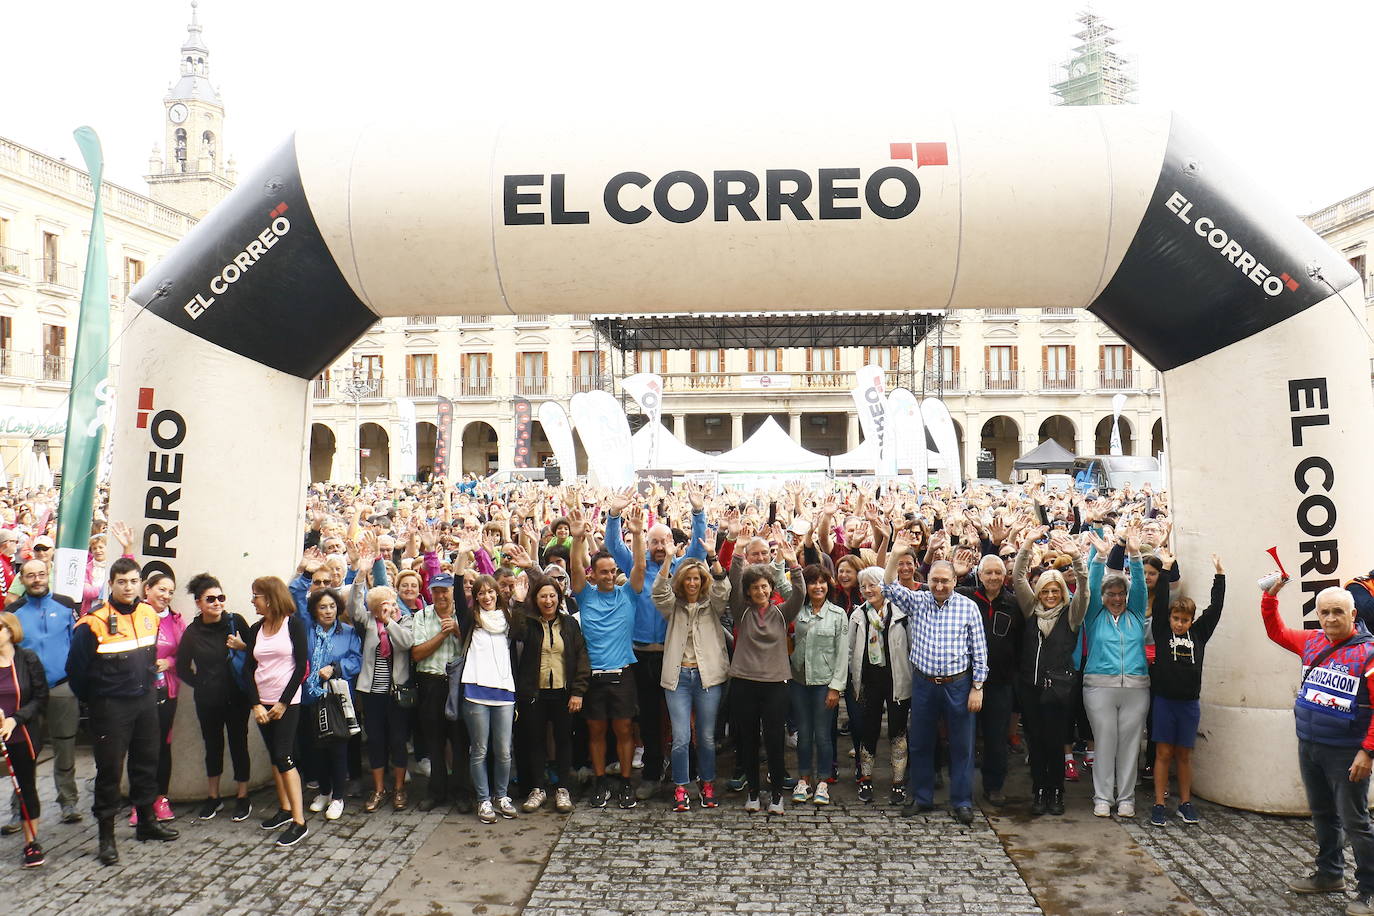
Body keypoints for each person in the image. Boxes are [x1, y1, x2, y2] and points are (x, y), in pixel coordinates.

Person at [1264, 577, 1374, 915]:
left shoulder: (1368, 653)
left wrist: (1367, 751)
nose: (1330, 619)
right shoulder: (1311, 641)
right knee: (1323, 814)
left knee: (1355, 822)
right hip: (1310, 745)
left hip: (1346, 752)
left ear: (1353, 613)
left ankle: (1369, 890)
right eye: (1324, 612)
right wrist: (1269, 598)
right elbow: (1276, 631)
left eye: (1338, 612)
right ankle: (1329, 874)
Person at [67, 557, 177, 865]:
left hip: (144, 702)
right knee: (110, 772)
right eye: (121, 582)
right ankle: (106, 837)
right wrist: (97, 700)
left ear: (140, 584)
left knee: (146, 764)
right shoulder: (93, 622)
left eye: (132, 582)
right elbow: (75, 670)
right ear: (112, 584)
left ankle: (145, 823)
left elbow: (150, 654)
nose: (128, 587)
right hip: (110, 707)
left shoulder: (148, 614)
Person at [602, 483, 707, 800]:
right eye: (654, 541)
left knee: (680, 720)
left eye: (665, 541)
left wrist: (698, 511)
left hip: (674, 655)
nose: (660, 546)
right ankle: (649, 774)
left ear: (674, 543)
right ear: (647, 543)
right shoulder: (637, 566)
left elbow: (700, 550)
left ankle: (683, 775)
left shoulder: (681, 568)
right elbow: (613, 544)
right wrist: (614, 514)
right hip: (640, 656)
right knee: (647, 718)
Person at [882, 537, 988, 826]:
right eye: (934, 581)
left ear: (955, 580)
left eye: (945, 581)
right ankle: (922, 797)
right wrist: (896, 553)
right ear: (926, 580)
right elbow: (888, 587)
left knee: (961, 746)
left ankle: (962, 801)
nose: (939, 586)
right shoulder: (918, 600)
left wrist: (977, 687)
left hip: (958, 684)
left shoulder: (968, 608)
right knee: (920, 742)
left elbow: (979, 650)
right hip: (925, 683)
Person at [569, 505, 646, 810]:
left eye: (613, 571)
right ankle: (601, 781)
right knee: (596, 731)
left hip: (623, 673)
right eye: (603, 572)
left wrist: (638, 534)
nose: (609, 576)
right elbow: (575, 569)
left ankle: (626, 781)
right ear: (594, 574)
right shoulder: (585, 594)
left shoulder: (628, 594)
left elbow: (639, 566)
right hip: (593, 676)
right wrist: (577, 540)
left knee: (624, 730)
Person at [1012, 530, 1088, 816]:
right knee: (1036, 741)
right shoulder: (1031, 610)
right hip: (1031, 688)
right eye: (1045, 590)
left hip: (1058, 690)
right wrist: (1028, 544)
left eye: (1055, 590)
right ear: (1039, 592)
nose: (1051, 595)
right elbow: (1019, 578)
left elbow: (1085, 587)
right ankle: (1039, 789)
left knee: (1055, 743)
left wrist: (1077, 557)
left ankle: (1056, 791)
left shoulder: (1071, 615)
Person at [727, 533, 804, 815]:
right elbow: (735, 582)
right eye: (755, 588)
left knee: (774, 739)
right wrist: (736, 552)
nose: (760, 592)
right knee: (747, 739)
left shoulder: (782, 612)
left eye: (764, 587)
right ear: (748, 592)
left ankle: (775, 796)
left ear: (771, 588)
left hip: (775, 685)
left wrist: (795, 566)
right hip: (744, 683)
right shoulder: (741, 611)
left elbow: (801, 594)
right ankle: (752, 793)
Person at [508, 547, 589, 815]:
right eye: (543, 596)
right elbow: (516, 633)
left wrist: (578, 692)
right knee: (536, 741)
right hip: (535, 692)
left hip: (564, 692)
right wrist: (519, 603)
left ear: (559, 597)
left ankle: (562, 789)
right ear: (537, 598)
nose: (548, 600)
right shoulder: (530, 623)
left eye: (552, 595)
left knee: (564, 740)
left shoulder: (569, 624)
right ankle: (537, 788)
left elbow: (580, 659)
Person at [652, 545, 730, 812]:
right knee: (682, 736)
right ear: (681, 581)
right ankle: (681, 787)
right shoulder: (672, 607)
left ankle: (707, 783)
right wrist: (671, 559)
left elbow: (724, 589)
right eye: (688, 578)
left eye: (697, 578)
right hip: (678, 678)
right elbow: (658, 590)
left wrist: (713, 558)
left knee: (706, 737)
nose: (693, 582)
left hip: (708, 678)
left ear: (702, 580)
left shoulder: (712, 606)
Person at [1149, 554, 1225, 827]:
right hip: (1164, 702)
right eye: (1176, 618)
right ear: (1169, 618)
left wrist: (1220, 575)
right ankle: (1159, 802)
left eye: (1184, 620)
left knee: (1183, 755)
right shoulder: (1161, 631)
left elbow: (1216, 608)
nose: (1179, 623)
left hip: (1189, 704)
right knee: (1163, 754)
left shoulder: (1199, 634)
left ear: (1192, 620)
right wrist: (1167, 570)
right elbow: (1158, 603)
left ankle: (1185, 801)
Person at [5, 558, 81, 828]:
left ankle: (68, 801)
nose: (36, 579)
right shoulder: (13, 611)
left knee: (65, 746)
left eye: (41, 574)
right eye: (30, 576)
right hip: (26, 694)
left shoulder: (66, 604)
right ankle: (20, 808)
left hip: (62, 686)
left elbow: (77, 645)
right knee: (24, 752)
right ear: (22, 580)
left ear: (48, 574)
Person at [1082, 526, 1149, 818]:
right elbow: (1092, 584)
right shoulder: (1094, 614)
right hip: (1099, 687)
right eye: (1111, 593)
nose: (1117, 598)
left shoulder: (1135, 613)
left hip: (1136, 687)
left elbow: (1142, 589)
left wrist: (1135, 555)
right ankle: (1102, 796)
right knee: (1106, 741)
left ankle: (1126, 798)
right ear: (1104, 596)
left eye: (1121, 593)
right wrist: (1098, 558)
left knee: (1130, 745)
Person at [175, 573, 253, 821]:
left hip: (237, 696)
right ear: (199, 602)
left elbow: (257, 653)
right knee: (213, 745)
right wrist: (201, 683)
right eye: (210, 599)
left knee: (239, 743)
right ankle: (214, 796)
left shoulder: (236, 622)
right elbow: (181, 667)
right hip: (208, 700)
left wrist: (243, 647)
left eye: (221, 597)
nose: (217, 603)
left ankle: (242, 796)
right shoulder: (192, 632)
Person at [243, 576, 310, 847]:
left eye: (256, 595)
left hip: (288, 702)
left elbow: (301, 665)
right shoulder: (256, 628)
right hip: (263, 702)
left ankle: (299, 821)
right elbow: (248, 668)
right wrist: (256, 703)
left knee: (284, 755)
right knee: (274, 755)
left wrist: (283, 702)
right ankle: (284, 809)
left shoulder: (293, 625)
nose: (252, 600)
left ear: (270, 598)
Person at [960, 552, 1024, 808]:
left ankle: (994, 785)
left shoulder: (1013, 604)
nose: (994, 577)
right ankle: (961, 787)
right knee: (964, 735)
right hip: (966, 680)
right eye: (989, 572)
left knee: (996, 738)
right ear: (979, 574)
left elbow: (1019, 644)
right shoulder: (965, 598)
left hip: (1000, 682)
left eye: (998, 572)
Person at [460, 572, 524, 823]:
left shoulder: (507, 618)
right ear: (475, 597)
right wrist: (464, 558)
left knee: (504, 750)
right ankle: (483, 799)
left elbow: (521, 632)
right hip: (475, 691)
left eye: (490, 592)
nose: (486, 597)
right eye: (481, 593)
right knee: (480, 749)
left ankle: (501, 796)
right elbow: (457, 592)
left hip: (504, 691)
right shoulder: (471, 619)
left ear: (497, 593)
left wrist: (518, 602)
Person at [410, 569, 474, 814]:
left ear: (452, 592)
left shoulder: (465, 616)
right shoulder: (422, 616)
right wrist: (443, 633)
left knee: (460, 741)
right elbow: (417, 653)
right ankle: (436, 791)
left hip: (458, 683)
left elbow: (473, 646)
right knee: (434, 741)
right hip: (430, 682)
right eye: (435, 591)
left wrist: (457, 630)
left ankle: (462, 793)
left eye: (445, 590)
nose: (440, 596)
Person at [299, 587, 361, 822]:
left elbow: (356, 660)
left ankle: (338, 796)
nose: (328, 611)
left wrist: (335, 668)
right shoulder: (306, 630)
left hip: (336, 698)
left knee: (337, 747)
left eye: (332, 606)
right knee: (316, 748)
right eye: (322, 607)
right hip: (310, 696)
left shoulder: (348, 632)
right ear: (314, 610)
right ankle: (324, 791)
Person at [790, 564, 848, 807]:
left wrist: (836, 687)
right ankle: (804, 779)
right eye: (812, 582)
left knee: (823, 736)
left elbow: (842, 654)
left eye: (822, 582)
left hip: (825, 683)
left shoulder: (837, 615)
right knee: (803, 734)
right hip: (799, 682)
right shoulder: (797, 612)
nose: (818, 587)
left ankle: (823, 780)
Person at [854, 564, 911, 806]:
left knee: (897, 731)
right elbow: (851, 650)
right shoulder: (858, 615)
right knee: (869, 730)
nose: (868, 590)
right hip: (870, 681)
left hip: (896, 679)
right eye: (863, 586)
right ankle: (866, 778)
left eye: (873, 584)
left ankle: (898, 782)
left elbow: (910, 646)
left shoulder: (900, 614)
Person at [131, 570, 182, 826]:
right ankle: (139, 801)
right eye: (161, 589)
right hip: (136, 692)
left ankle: (160, 798)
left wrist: (168, 661)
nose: (166, 595)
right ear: (147, 589)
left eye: (171, 591)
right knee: (139, 746)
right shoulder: (134, 614)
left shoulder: (175, 621)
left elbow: (183, 656)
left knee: (163, 745)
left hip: (166, 692)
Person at [0, 610, 48, 867]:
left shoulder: (27, 659)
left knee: (25, 787)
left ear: (10, 631)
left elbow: (41, 697)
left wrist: (14, 719)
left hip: (21, 734)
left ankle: (31, 843)